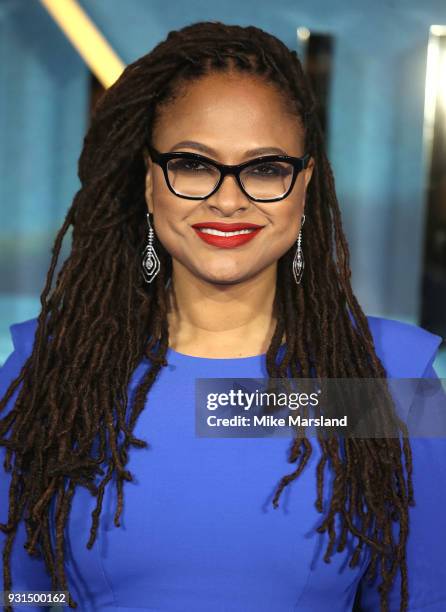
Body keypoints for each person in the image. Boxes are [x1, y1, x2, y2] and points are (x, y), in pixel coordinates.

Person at [0, 20, 445, 612]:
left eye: (264, 168)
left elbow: (421, 596)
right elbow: (26, 595)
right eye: (193, 163)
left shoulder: (387, 380)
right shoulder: (56, 373)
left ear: (304, 184)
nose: (228, 197)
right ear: (149, 178)